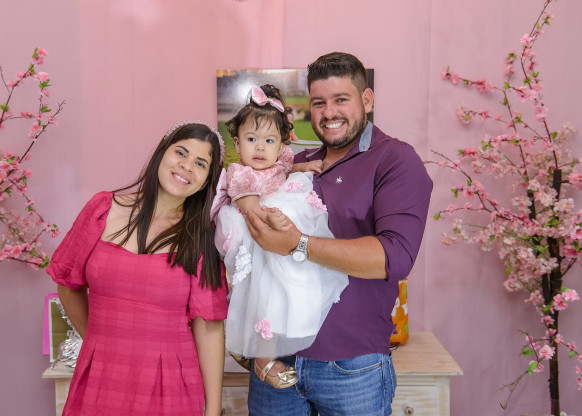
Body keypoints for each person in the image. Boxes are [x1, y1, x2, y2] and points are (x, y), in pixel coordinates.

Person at [243, 52, 433, 415]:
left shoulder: (394, 159)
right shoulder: (295, 164)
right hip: (275, 360)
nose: (329, 112)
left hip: (352, 365)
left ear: (367, 99)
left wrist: (297, 244)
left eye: (341, 99)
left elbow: (393, 257)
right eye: (319, 102)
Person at [46, 121, 229, 416]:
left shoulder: (202, 236)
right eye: (181, 153)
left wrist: (213, 411)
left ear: (207, 180)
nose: (186, 166)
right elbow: (68, 283)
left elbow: (208, 327)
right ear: (161, 152)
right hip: (99, 378)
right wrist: (98, 339)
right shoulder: (102, 209)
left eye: (200, 163)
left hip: (170, 386)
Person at [211, 85, 349, 390]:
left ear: (281, 146)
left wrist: (304, 167)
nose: (260, 148)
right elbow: (250, 209)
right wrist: (273, 220)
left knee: (288, 282)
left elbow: (284, 170)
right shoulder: (240, 173)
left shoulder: (280, 161)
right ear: (237, 143)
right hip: (252, 227)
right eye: (252, 140)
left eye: (269, 141)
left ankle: (289, 325)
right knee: (266, 290)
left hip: (273, 224)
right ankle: (263, 357)